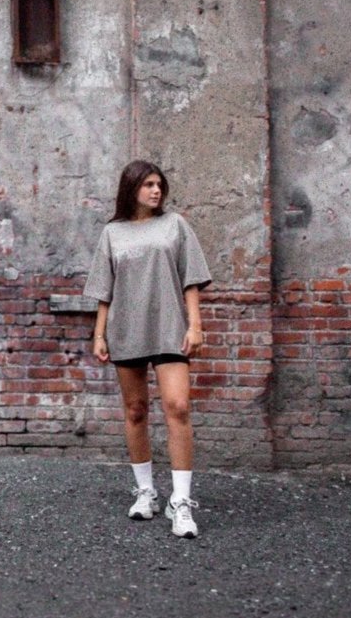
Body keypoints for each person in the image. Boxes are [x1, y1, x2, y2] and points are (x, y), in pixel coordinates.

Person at [83, 159, 212, 538]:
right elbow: (104, 290)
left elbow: (191, 280)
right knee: (136, 410)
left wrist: (196, 325)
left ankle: (181, 502)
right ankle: (146, 491)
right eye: (148, 185)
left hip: (170, 327)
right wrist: (99, 335)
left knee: (178, 407)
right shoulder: (113, 233)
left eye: (159, 184)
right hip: (126, 329)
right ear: (132, 188)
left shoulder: (175, 226)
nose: (156, 191)